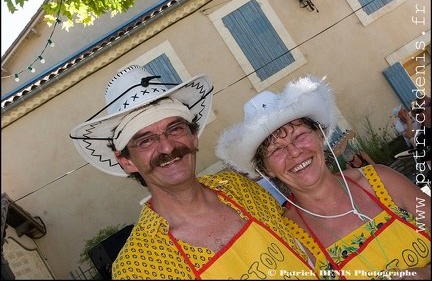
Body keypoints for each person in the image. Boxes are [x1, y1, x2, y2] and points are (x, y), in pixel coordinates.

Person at [69, 65, 316, 280]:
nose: (167, 147)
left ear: (194, 136)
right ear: (126, 161)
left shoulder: (238, 187)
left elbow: (304, 249)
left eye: (175, 129)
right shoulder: (136, 267)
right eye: (145, 141)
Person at [216, 75, 431, 280]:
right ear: (267, 170)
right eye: (276, 150)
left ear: (319, 135)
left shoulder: (382, 180)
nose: (294, 152)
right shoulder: (290, 237)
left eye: (299, 136)